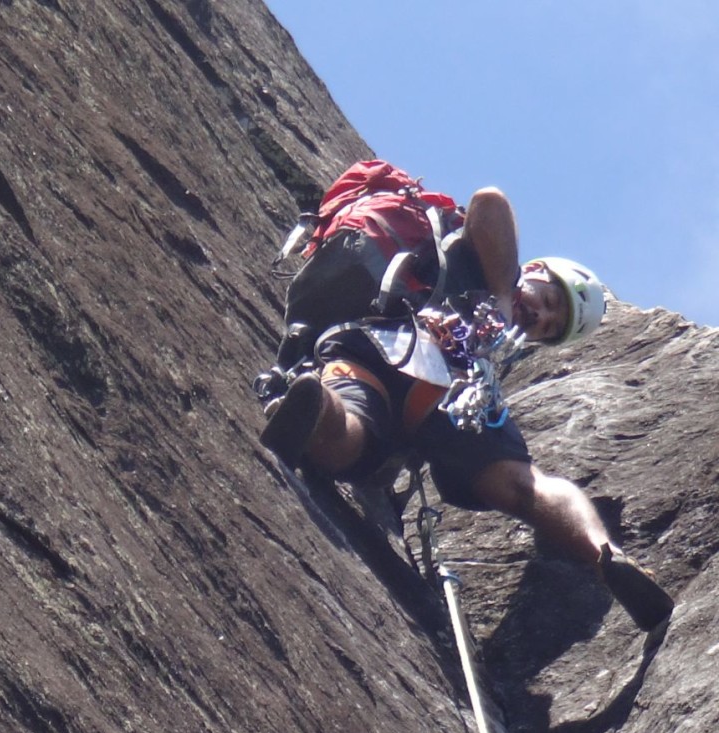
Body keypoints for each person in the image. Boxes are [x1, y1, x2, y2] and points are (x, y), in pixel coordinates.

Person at [259, 185, 674, 633]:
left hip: (441, 389)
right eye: (549, 300)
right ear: (532, 271)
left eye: (551, 329)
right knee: (359, 445)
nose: (541, 317)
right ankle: (318, 407)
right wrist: (499, 293)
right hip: (392, 340)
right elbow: (490, 200)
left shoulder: (500, 353)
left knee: (517, 483)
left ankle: (605, 556)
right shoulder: (482, 260)